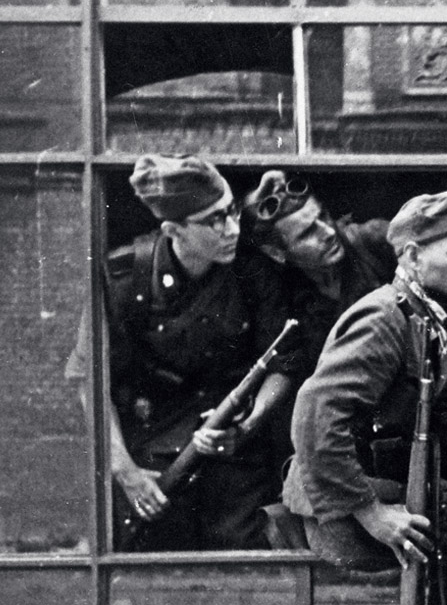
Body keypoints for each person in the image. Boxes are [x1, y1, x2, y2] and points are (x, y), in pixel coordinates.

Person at [282, 191, 447, 575]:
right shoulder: (384, 319)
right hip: (349, 513)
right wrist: (372, 514)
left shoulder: (423, 318)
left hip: (387, 495)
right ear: (414, 256)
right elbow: (314, 416)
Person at [65, 154, 302, 551]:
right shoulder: (123, 278)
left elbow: (283, 363)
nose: (232, 229)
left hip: (233, 457)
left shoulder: (252, 272)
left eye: (232, 211)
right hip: (153, 459)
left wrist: (248, 423)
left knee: (246, 566)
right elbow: (90, 380)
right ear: (173, 230)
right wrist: (125, 472)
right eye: (214, 221)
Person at [241, 170, 396, 369]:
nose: (329, 232)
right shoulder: (283, 289)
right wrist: (250, 206)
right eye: (308, 233)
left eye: (323, 216)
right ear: (276, 253)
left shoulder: (372, 241)